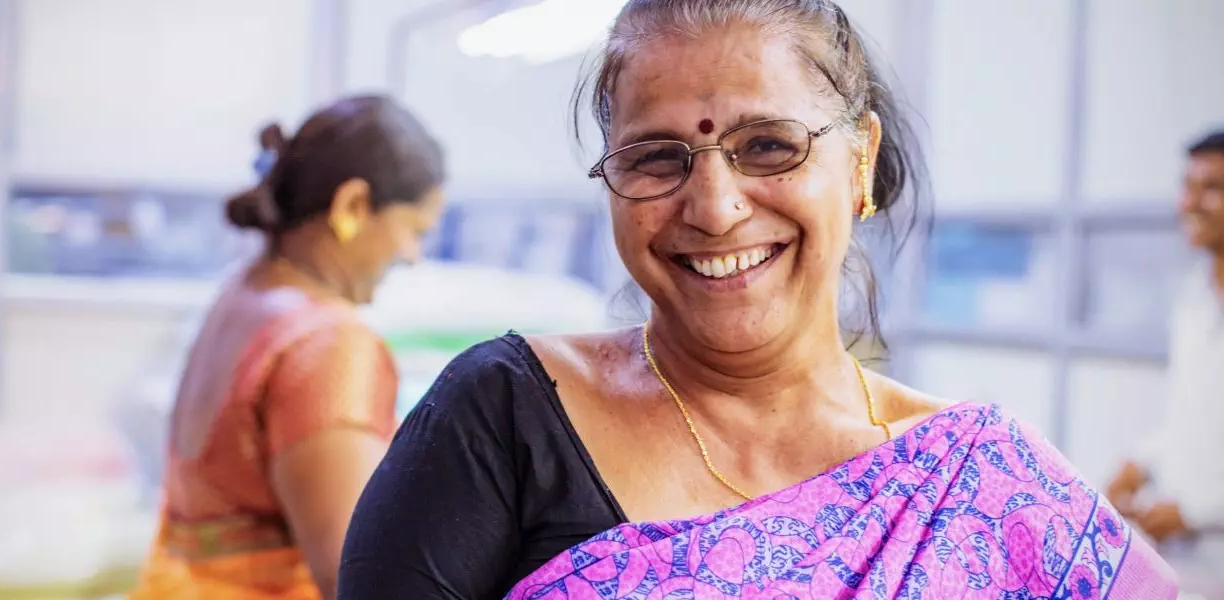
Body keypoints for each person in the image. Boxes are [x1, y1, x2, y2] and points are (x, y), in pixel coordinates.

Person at [338, 2, 1177, 598]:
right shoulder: (503, 416)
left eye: (768, 147)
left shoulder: (986, 488)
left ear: (859, 162)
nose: (713, 207)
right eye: (657, 158)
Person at [129, 94, 446, 600]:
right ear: (353, 207)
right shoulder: (329, 343)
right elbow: (359, 581)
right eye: (413, 230)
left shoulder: (242, 296)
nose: (412, 257)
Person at [1107, 130, 1224, 544]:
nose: (1190, 204)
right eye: (1187, 187)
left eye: (1212, 189)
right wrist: (1139, 464)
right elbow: (1197, 414)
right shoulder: (1196, 295)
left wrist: (1197, 512)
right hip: (1189, 556)